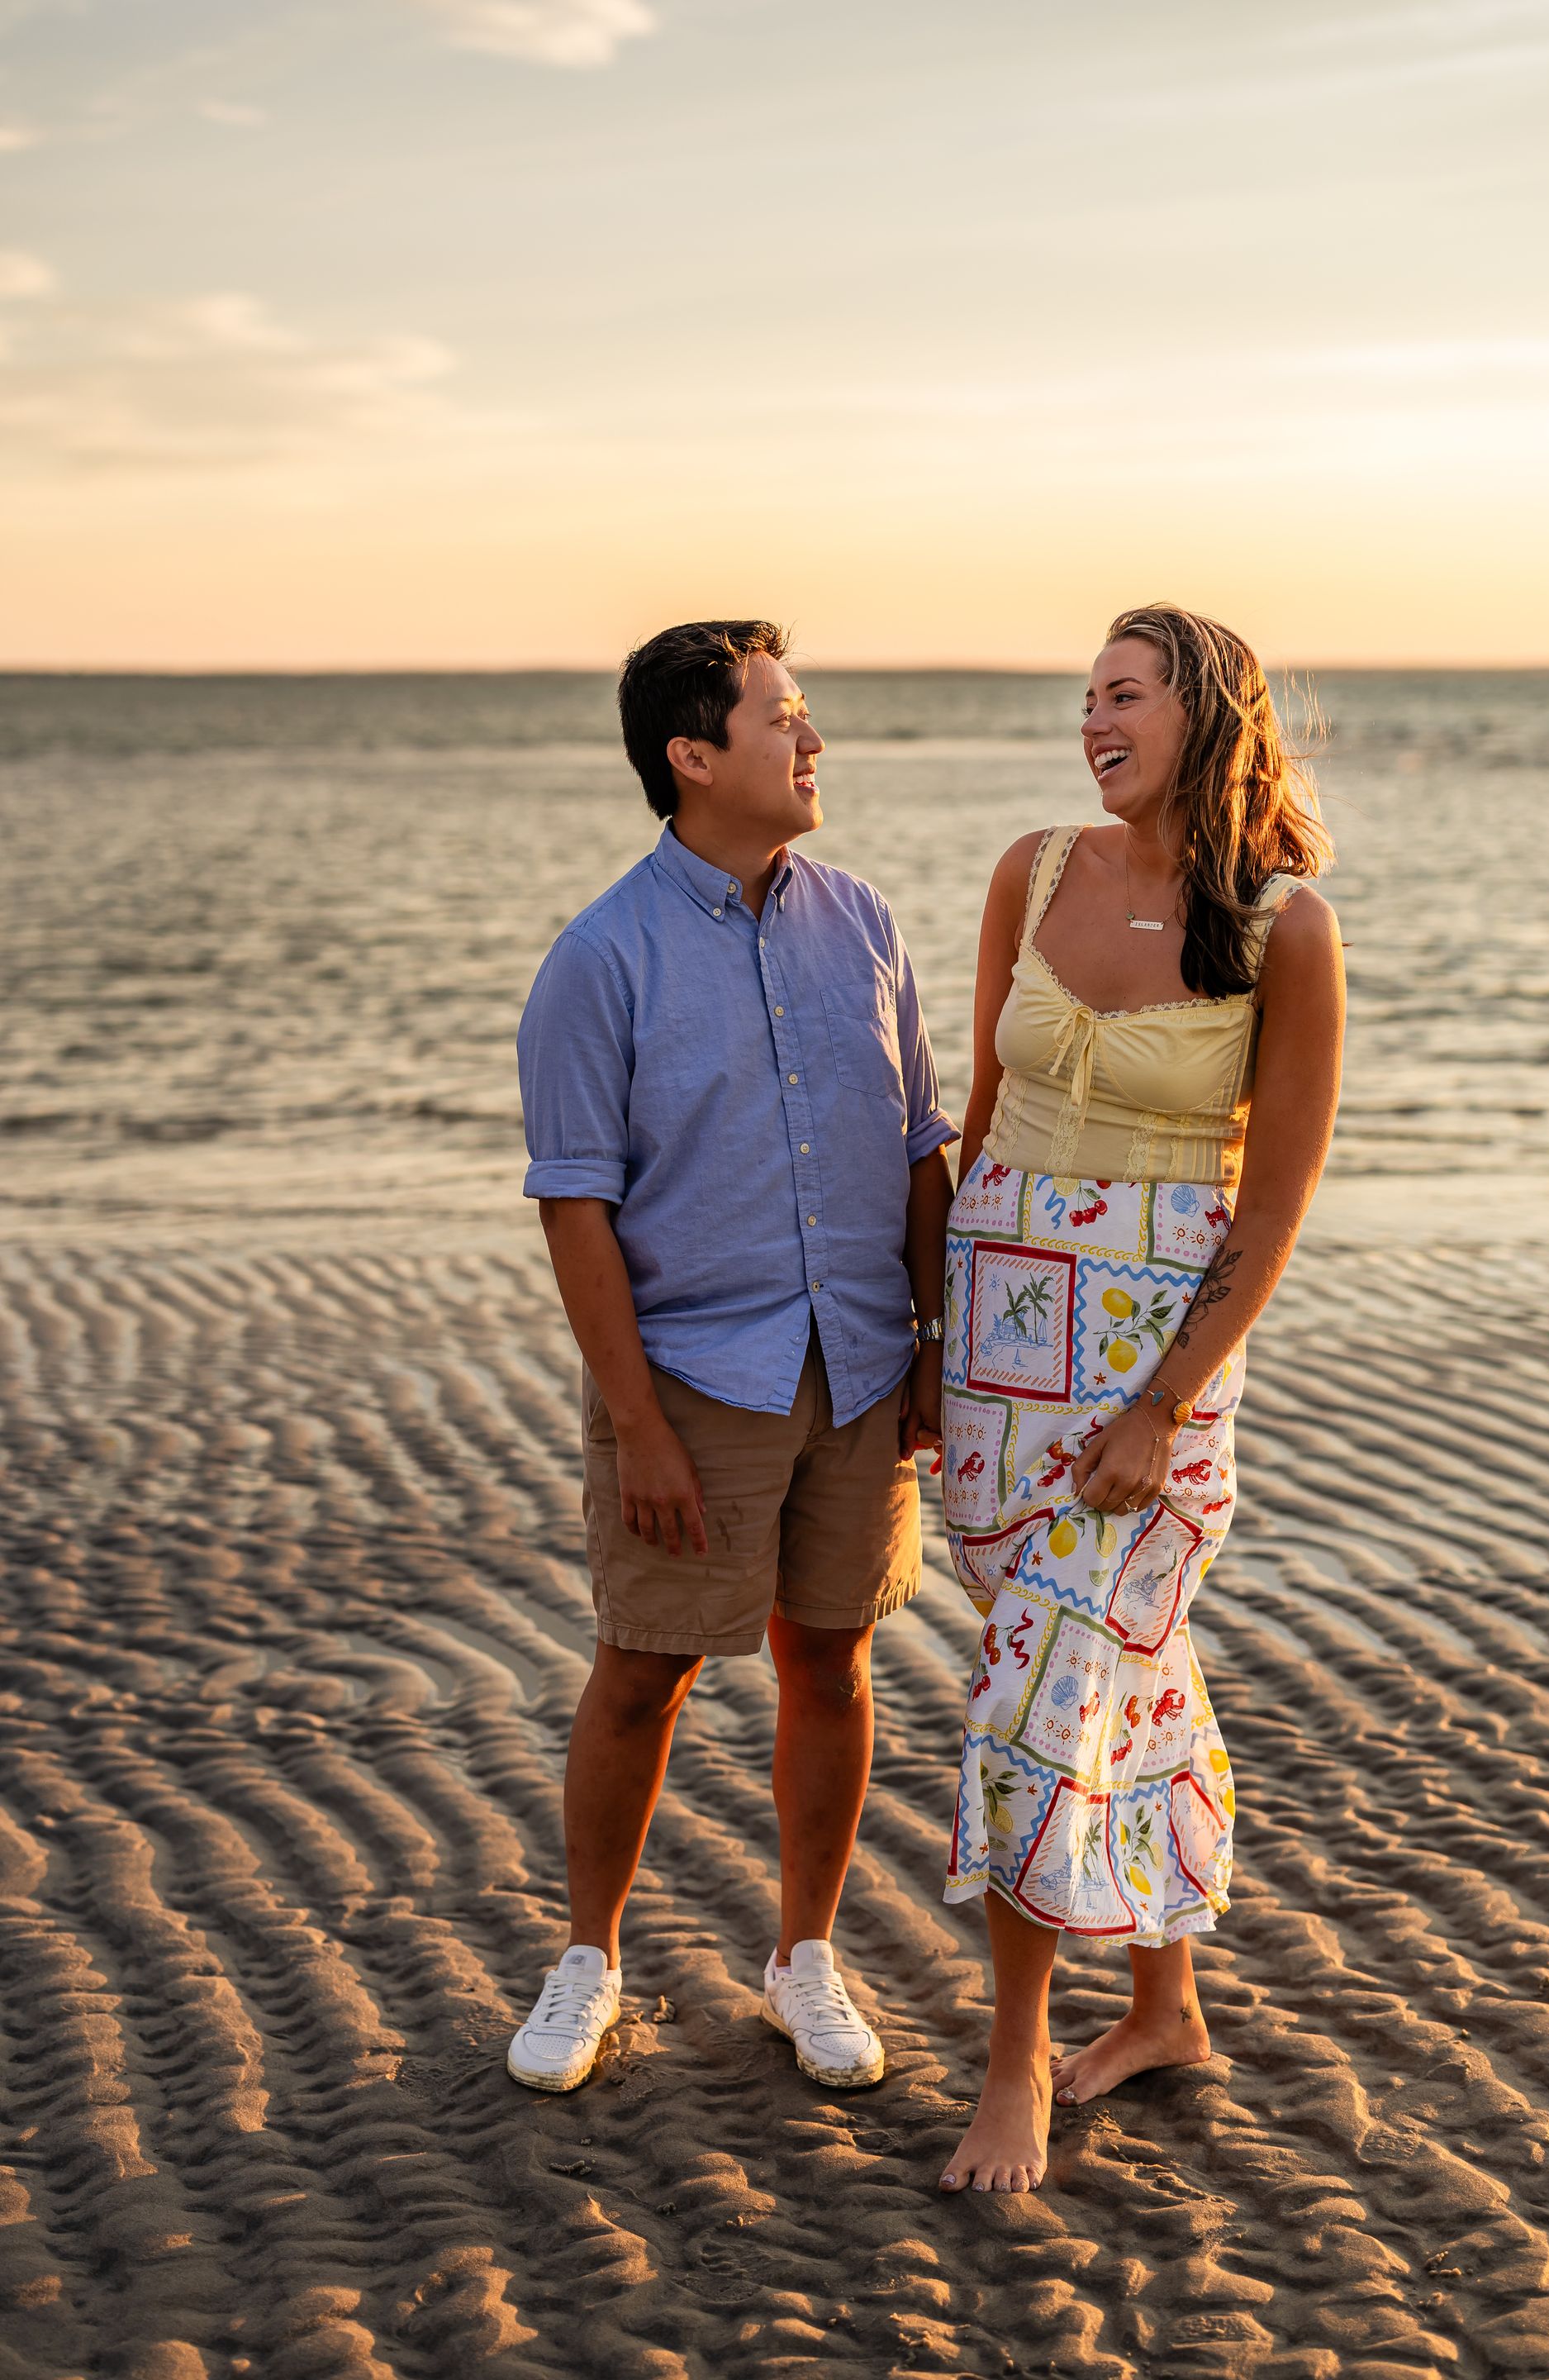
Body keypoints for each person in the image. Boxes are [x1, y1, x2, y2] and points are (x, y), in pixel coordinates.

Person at [507, 619, 957, 2097]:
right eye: (783, 717)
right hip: (697, 1381)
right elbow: (577, 1206)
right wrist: (637, 1426)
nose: (812, 740)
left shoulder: (865, 921)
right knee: (644, 1670)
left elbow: (920, 1151)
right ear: (693, 757)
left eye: (805, 712)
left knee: (832, 1659)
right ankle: (589, 1960)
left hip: (861, 1369)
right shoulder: (600, 960)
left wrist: (932, 1346)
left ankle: (802, 1960)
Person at [936, 602, 1345, 2193]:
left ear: (1205, 715)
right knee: (1122, 1660)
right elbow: (981, 1121)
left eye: (1124, 695)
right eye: (1087, 698)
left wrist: (1163, 1406)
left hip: (1146, 1364)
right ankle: (1167, 2010)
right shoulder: (1031, 872)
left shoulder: (1284, 929)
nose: (1094, 721)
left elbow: (1274, 1204)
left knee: (1037, 1688)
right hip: (995, 1352)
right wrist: (922, 1348)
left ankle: (1015, 2065)